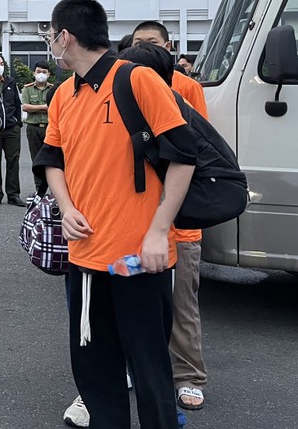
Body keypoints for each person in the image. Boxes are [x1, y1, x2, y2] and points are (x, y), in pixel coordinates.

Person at [33, 0, 197, 429]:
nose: (50, 43)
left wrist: (160, 230)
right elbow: (52, 159)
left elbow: (184, 155)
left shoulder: (136, 79)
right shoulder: (62, 95)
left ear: (65, 38)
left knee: (149, 372)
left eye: (50, 36)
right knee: (96, 372)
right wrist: (66, 207)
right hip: (85, 260)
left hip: (140, 259)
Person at [131, 23, 209, 412]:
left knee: (182, 303)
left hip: (180, 224)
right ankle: (137, 367)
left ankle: (189, 374)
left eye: (152, 44)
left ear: (169, 47)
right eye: (137, 44)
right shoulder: (121, 85)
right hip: (131, 220)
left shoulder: (186, 87)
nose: (144, 50)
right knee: (135, 303)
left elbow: (195, 151)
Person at [0, 54, 24, 207]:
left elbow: (16, 104)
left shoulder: (10, 82)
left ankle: (13, 194)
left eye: (1, 63)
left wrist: (18, 123)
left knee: (13, 161)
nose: (0, 66)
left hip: (12, 128)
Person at [21, 60, 53, 195]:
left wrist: (36, 108)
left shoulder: (53, 89)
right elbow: (25, 107)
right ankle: (39, 191)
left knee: (52, 160)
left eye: (44, 72)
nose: (41, 74)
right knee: (37, 160)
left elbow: (55, 108)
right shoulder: (27, 88)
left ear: (49, 74)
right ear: (34, 73)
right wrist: (45, 107)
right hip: (33, 129)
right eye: (39, 72)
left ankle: (54, 190)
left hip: (50, 128)